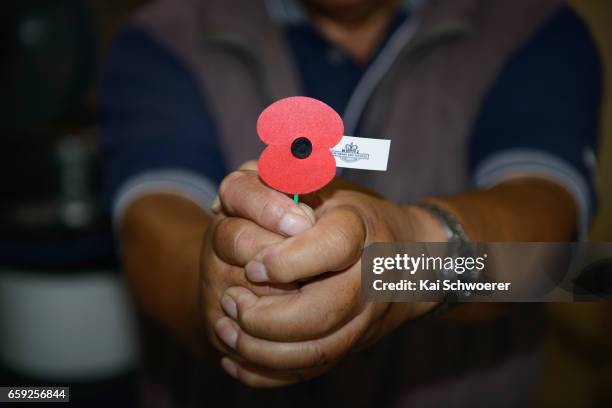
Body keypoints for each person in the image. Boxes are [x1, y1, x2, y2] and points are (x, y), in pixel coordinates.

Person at [101, 0, 601, 406]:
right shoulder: (165, 35)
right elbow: (149, 225)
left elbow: (559, 260)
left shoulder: (535, 27)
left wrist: (406, 260)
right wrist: (219, 285)